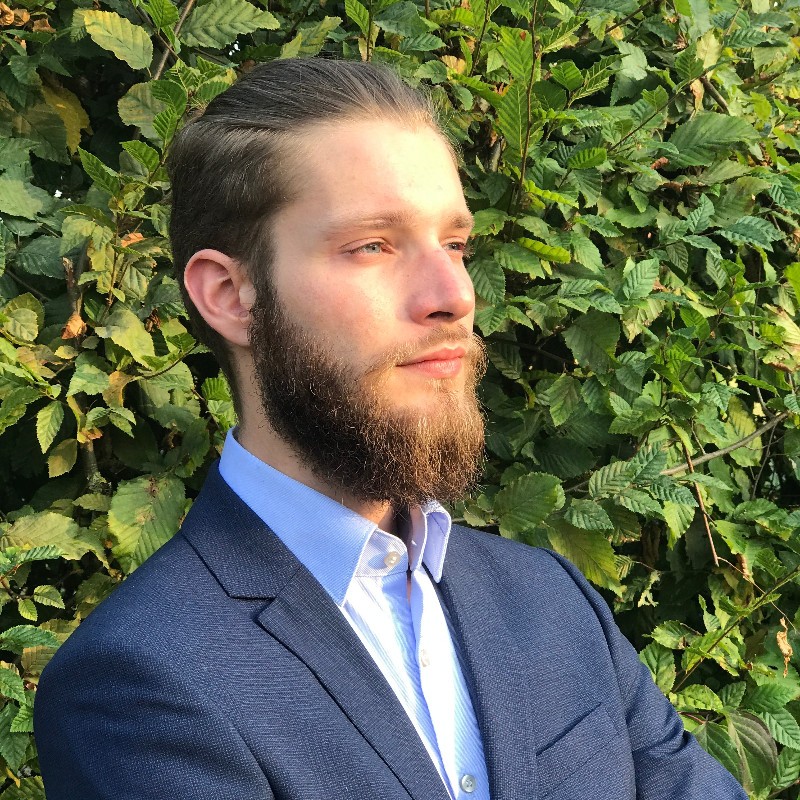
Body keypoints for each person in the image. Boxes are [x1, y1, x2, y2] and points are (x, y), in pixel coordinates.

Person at [34, 58, 746, 800]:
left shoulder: (550, 599)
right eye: (373, 245)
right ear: (231, 295)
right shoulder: (140, 680)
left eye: (456, 244)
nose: (454, 295)